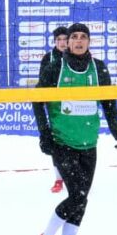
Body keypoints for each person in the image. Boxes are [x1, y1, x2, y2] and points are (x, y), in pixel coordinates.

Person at [32, 22, 117, 235]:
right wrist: (44, 133)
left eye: (84, 36)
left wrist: (115, 128)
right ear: (68, 42)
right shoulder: (55, 68)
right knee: (77, 197)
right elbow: (37, 100)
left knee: (81, 202)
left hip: (89, 142)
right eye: (75, 37)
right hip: (63, 142)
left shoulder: (99, 68)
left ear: (89, 41)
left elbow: (108, 100)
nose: (79, 40)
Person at [40, 26, 70, 194]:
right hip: (56, 107)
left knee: (75, 142)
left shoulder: (77, 56)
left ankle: (75, 176)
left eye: (65, 39)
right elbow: (42, 83)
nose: (62, 43)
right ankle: (58, 179)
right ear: (55, 41)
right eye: (59, 40)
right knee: (57, 143)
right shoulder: (48, 58)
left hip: (75, 105)